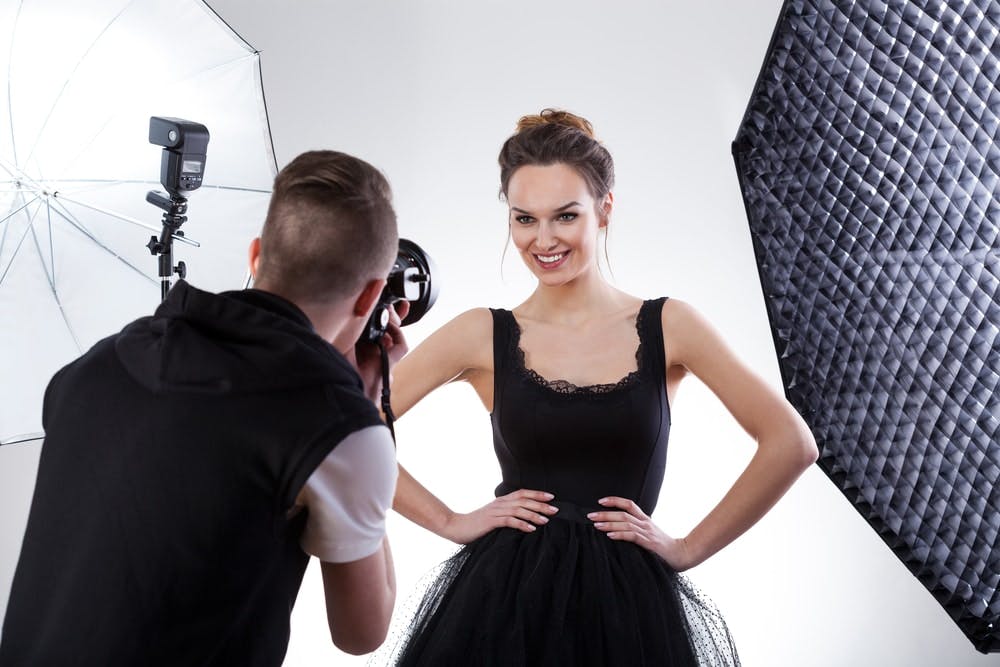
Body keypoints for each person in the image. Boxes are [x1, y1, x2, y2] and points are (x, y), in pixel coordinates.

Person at [378, 110, 819, 665]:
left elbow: (792, 444)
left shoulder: (670, 325)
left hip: (628, 613)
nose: (543, 239)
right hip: (503, 610)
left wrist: (686, 550)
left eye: (565, 216)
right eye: (524, 219)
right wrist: (447, 521)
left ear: (605, 209)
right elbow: (350, 430)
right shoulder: (481, 332)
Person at [0, 150, 407, 665]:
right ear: (372, 294)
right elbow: (362, 632)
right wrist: (366, 414)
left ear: (256, 255)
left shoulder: (96, 365)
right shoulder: (335, 427)